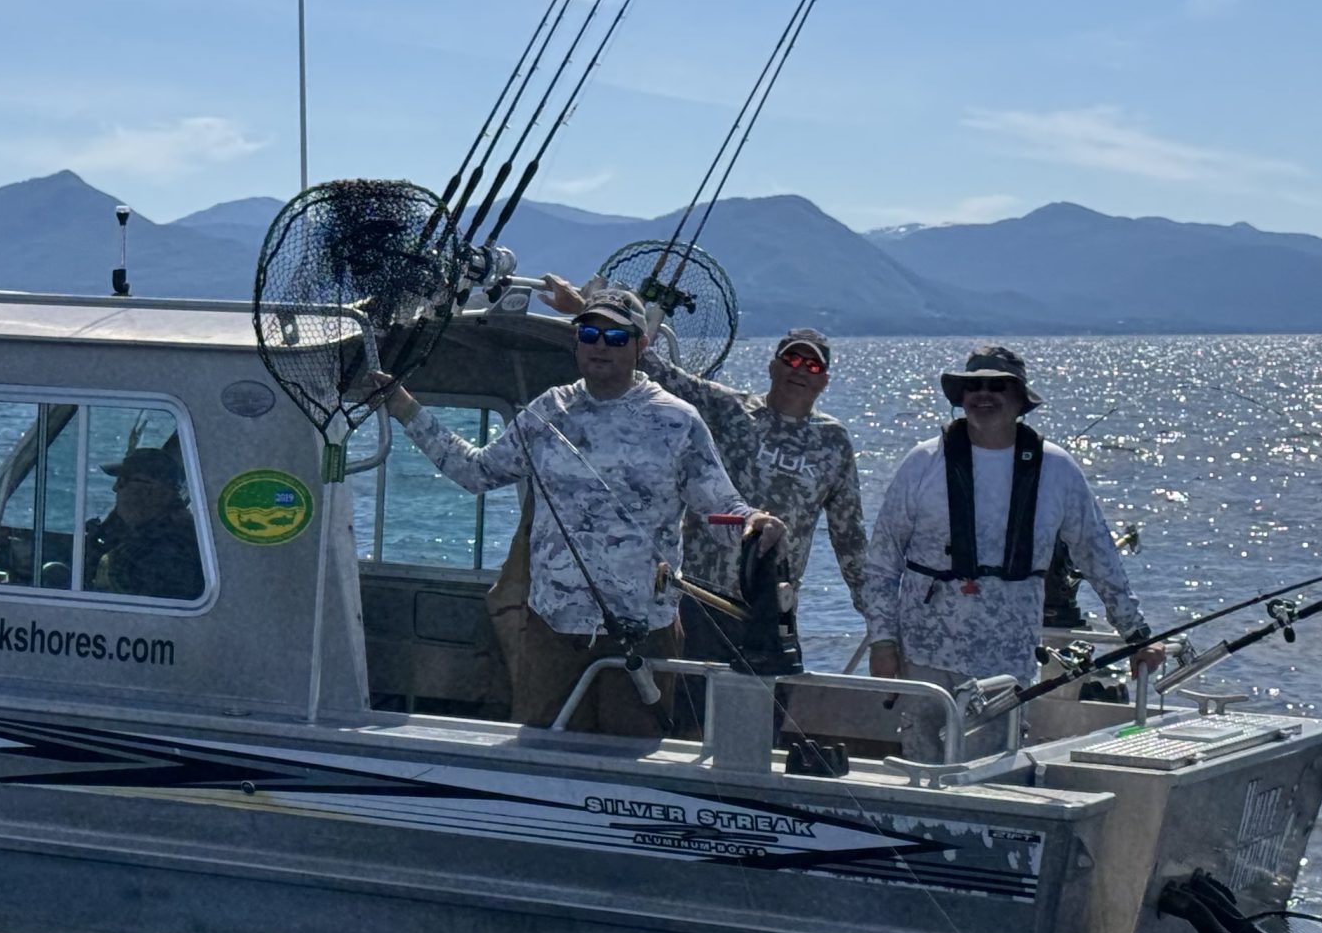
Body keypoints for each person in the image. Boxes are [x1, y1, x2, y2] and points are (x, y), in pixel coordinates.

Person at [368, 285, 783, 735]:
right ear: (577, 340)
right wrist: (405, 408)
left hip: (644, 632)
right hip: (553, 629)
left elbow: (720, 506)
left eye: (617, 337)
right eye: (589, 333)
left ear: (641, 345)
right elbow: (477, 472)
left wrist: (753, 524)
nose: (601, 346)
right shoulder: (548, 412)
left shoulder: (677, 420)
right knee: (544, 756)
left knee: (633, 761)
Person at [542, 278, 866, 661]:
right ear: (772, 366)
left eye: (812, 364)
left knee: (762, 711)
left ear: (824, 380)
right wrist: (586, 307)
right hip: (695, 595)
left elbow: (850, 539)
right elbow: (655, 367)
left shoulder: (834, 442)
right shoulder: (728, 409)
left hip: (768, 607)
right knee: (687, 707)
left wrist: (881, 628)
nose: (801, 369)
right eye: (792, 359)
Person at [863, 345, 1153, 692]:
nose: (984, 395)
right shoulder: (922, 462)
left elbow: (1097, 553)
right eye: (975, 386)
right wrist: (882, 641)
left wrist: (1136, 634)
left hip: (1009, 663)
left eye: (998, 386)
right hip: (924, 658)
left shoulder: (1057, 469)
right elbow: (882, 559)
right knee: (923, 747)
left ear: (1019, 399)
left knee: (999, 747)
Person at [86, 445, 206, 601]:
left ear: (152, 490)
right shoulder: (149, 533)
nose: (115, 488)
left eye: (123, 481)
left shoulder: (169, 549)